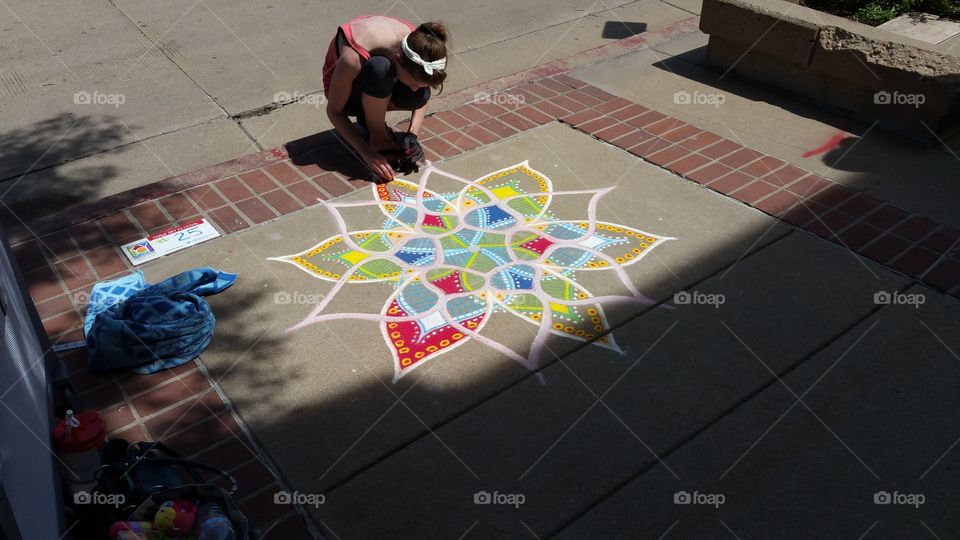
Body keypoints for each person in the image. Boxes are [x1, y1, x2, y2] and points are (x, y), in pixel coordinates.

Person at [323, 15, 449, 182]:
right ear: (397, 59)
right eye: (412, 83)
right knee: (379, 69)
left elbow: (420, 88)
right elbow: (334, 111)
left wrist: (412, 135)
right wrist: (367, 154)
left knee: (421, 95)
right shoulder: (352, 59)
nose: (413, 89)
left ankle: (371, 117)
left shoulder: (417, 41)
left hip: (378, 80)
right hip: (345, 94)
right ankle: (377, 137)